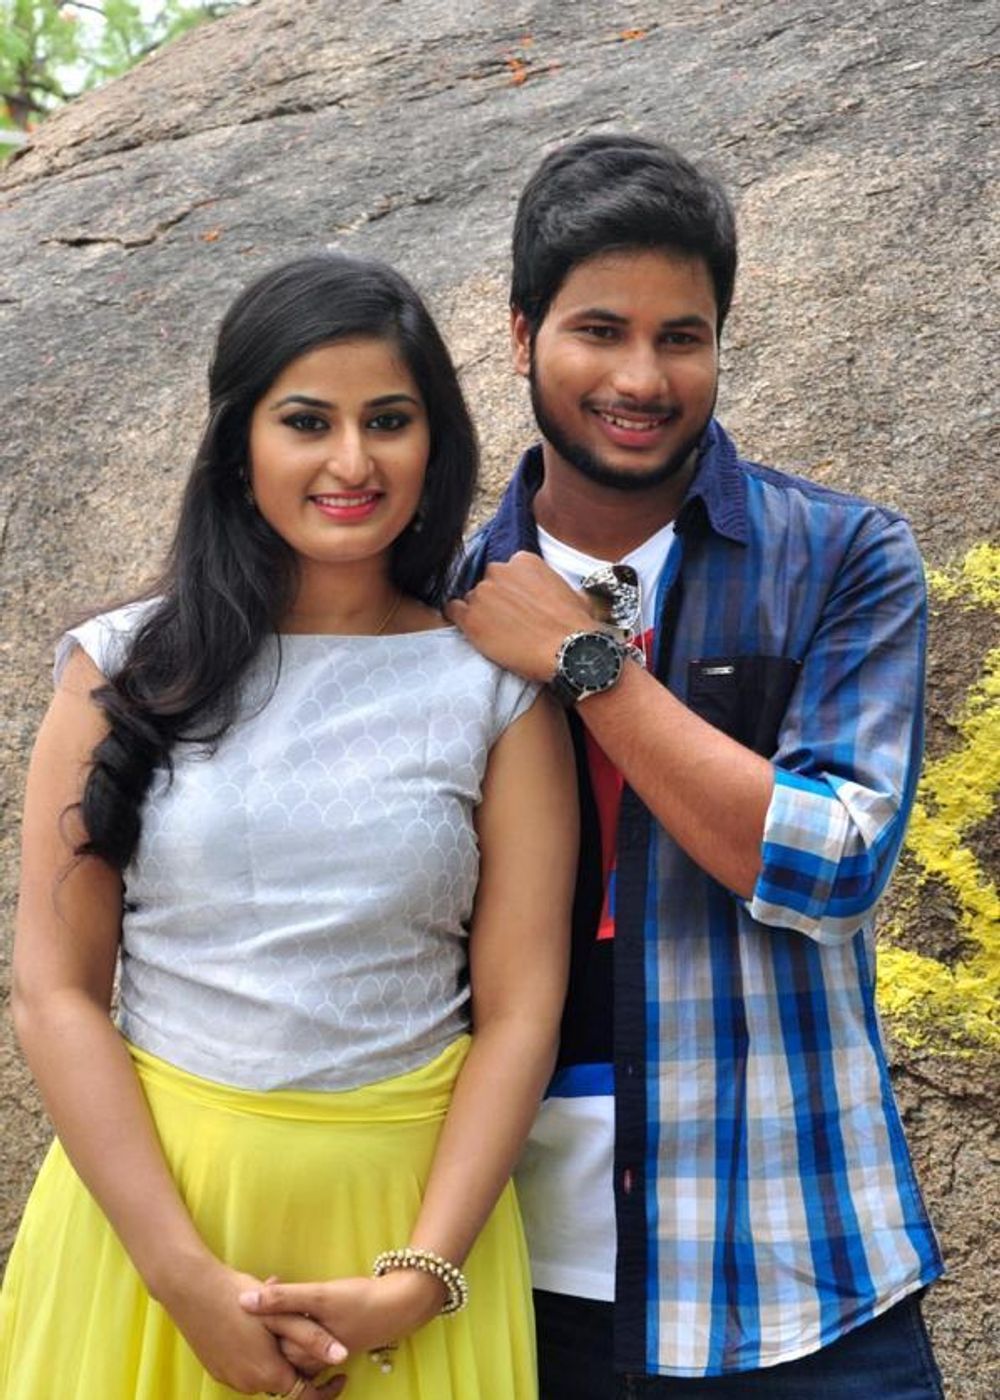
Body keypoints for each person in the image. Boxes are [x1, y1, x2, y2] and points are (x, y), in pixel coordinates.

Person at [0, 252, 576, 1400]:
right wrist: (182, 1278)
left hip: (404, 1240)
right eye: (307, 421)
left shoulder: (494, 691)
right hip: (151, 1236)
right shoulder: (120, 668)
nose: (352, 461)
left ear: (435, 442)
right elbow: (54, 989)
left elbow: (520, 1011)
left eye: (389, 421)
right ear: (239, 443)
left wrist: (418, 1277)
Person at [444, 134, 946, 1397]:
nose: (640, 376)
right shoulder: (436, 599)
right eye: (597, 330)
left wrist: (588, 664)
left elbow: (834, 865)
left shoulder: (841, 556)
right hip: (509, 1284)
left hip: (799, 1281)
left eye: (682, 336)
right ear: (521, 335)